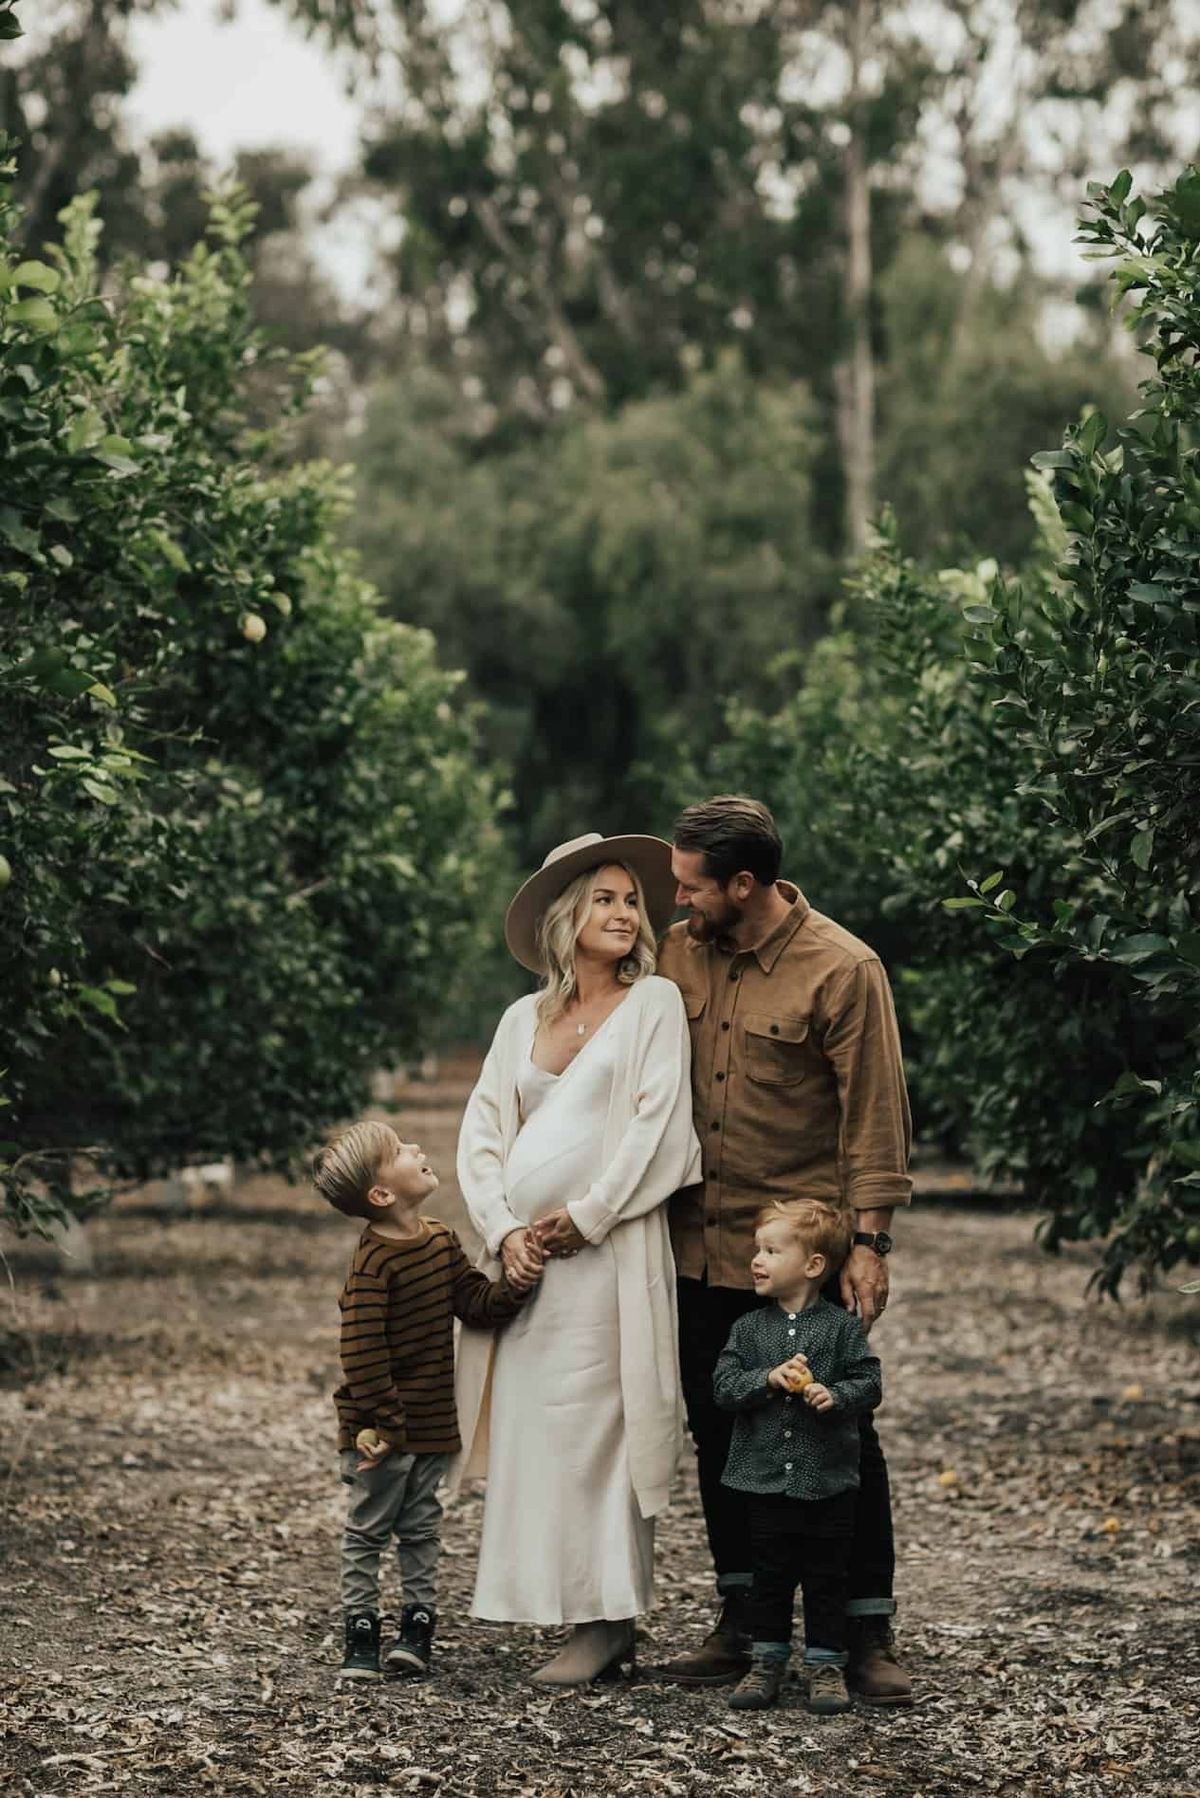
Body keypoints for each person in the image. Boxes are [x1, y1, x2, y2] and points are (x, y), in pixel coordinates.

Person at [657, 794, 914, 1704]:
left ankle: (863, 1631)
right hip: (695, 1246)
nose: (677, 900)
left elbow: (874, 1115)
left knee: (838, 1433)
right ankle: (745, 1621)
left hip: (799, 1257)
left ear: (744, 883)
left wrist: (869, 1242)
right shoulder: (676, 953)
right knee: (720, 1426)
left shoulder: (843, 968)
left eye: (692, 886)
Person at [451, 832, 702, 1685]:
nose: (626, 913)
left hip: (607, 1258)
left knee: (602, 1431)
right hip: (529, 1271)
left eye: (633, 900)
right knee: (539, 1433)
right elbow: (484, 1132)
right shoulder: (519, 1020)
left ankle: (607, 1622)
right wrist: (505, 1231)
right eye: (606, 899)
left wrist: (587, 1216)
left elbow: (658, 1127)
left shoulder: (653, 1004)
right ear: (567, 915)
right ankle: (553, 1602)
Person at [314, 1120, 537, 1683]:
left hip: (432, 1422)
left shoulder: (439, 1240)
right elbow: (361, 1352)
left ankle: (416, 1630)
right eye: (398, 1151)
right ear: (381, 1194)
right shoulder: (373, 1265)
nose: (415, 1148)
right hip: (380, 1433)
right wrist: (387, 1423)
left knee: (420, 1529)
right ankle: (361, 1634)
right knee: (368, 1531)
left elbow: (474, 1302)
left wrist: (515, 1284)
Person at [714, 1198, 882, 1716]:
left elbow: (869, 1381)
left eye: (771, 1251)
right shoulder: (748, 1329)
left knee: (827, 1576)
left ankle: (827, 1666)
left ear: (813, 1265)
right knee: (769, 1575)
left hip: (828, 1482)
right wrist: (767, 1379)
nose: (756, 1261)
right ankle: (766, 1661)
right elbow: (723, 1386)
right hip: (765, 1481)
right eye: (757, 1250)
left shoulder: (841, 1329)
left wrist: (836, 1395)